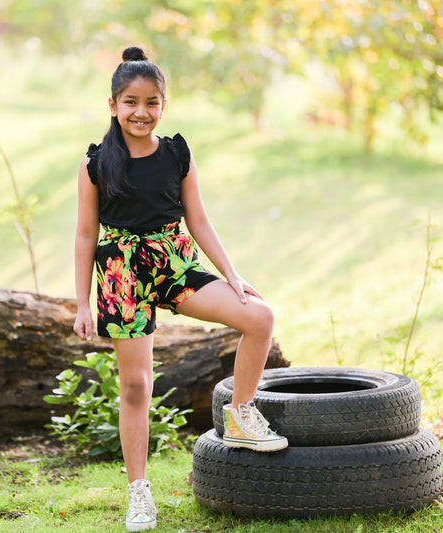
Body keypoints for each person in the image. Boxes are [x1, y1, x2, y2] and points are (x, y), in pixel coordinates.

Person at [73, 46, 288, 532]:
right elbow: (86, 235)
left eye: (152, 103)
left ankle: (240, 414)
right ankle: (138, 493)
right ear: (113, 105)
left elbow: (200, 220)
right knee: (135, 385)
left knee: (259, 316)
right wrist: (81, 302)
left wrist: (231, 275)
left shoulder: (177, 154)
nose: (141, 112)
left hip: (175, 264)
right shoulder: (95, 165)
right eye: (130, 102)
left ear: (163, 106)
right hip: (122, 275)